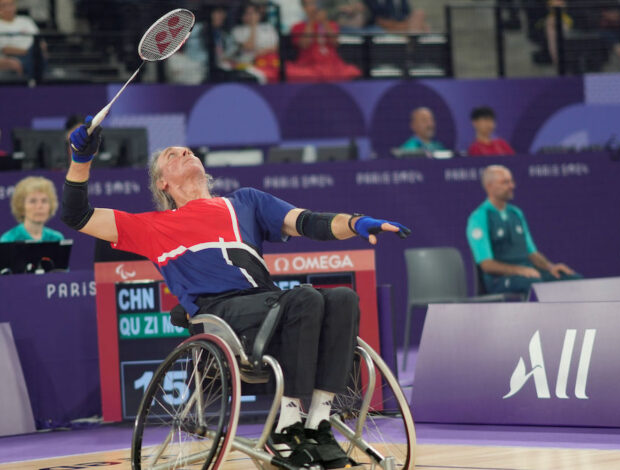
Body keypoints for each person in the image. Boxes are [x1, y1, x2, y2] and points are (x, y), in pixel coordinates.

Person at [62, 116, 410, 468]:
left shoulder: (245, 203)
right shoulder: (152, 226)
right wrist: (81, 161)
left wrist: (356, 223)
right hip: (222, 316)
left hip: (274, 310)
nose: (183, 150)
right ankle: (287, 426)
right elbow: (76, 215)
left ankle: (317, 423)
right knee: (303, 297)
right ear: (162, 183)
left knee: (343, 298)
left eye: (185, 148)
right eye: (171, 154)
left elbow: (310, 222)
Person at [466, 165, 580, 296]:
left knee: (571, 280)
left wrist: (551, 267)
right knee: (535, 285)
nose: (511, 186)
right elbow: (486, 264)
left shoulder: (516, 213)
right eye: (505, 182)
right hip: (500, 280)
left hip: (529, 273)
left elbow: (531, 253)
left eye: (511, 181)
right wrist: (519, 270)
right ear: (489, 186)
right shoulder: (479, 217)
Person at [287, 0, 361, 82]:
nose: (315, 7)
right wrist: (311, 21)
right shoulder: (297, 26)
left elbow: (335, 43)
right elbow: (304, 45)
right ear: (304, 8)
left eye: (316, 4)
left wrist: (325, 22)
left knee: (352, 71)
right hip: (308, 65)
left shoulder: (331, 24)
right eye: (311, 4)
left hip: (332, 65)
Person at [1, 176, 64, 242]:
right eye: (33, 201)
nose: (39, 206)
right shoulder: (9, 239)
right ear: (21, 206)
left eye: (44, 201)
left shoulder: (56, 238)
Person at [231, 1, 280, 83]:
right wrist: (253, 26)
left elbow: (277, 46)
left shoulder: (268, 27)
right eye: (248, 13)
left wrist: (263, 51)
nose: (252, 16)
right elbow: (249, 47)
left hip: (270, 62)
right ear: (242, 16)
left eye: (254, 13)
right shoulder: (237, 31)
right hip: (249, 65)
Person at [0, 0, 39, 77]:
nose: (9, 8)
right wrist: (28, 52)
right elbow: (5, 49)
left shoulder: (26, 21)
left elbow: (39, 40)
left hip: (32, 55)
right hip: (9, 57)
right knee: (14, 63)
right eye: (4, 5)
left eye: (11, 5)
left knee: (38, 57)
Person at [363, 0, 429, 32]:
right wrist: (404, 26)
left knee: (420, 14)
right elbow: (379, 21)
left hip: (400, 24)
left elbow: (406, 13)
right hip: (384, 26)